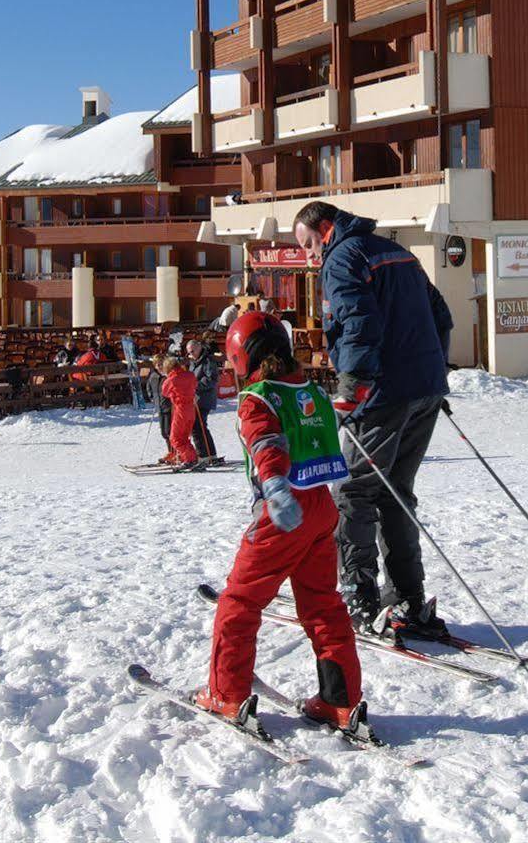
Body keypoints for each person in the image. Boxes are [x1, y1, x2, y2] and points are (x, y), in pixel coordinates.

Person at [194, 312, 368, 737]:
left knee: (239, 603)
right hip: (322, 510)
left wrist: (274, 487)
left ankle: (227, 693)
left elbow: (266, 442)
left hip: (282, 513)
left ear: (241, 357)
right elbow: (330, 416)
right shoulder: (309, 387)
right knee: (323, 605)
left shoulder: (258, 397)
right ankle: (339, 701)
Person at [292, 201, 454, 634]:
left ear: (325, 229)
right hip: (424, 388)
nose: (309, 256)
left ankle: (359, 596)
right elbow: (440, 314)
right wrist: (433, 368)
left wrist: (352, 386)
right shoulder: (394, 250)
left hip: (382, 392)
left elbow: (358, 322)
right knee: (395, 491)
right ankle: (407, 595)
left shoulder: (342, 257)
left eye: (308, 244)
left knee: (354, 491)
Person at [158, 355, 200, 468]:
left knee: (175, 438)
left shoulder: (170, 380)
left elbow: (165, 392)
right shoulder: (190, 375)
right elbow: (195, 385)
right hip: (191, 409)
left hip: (180, 410)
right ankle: (190, 457)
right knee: (184, 437)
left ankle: (190, 459)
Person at [186, 336, 223, 461]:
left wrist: (195, 386)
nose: (191, 355)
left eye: (193, 351)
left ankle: (204, 454)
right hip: (196, 398)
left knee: (198, 426)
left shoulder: (207, 360)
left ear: (199, 347)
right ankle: (208, 453)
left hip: (204, 398)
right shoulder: (195, 362)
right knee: (198, 426)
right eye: (189, 353)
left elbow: (211, 378)